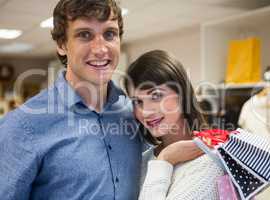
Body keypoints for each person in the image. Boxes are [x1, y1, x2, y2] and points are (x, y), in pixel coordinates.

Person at [0, 0, 142, 199]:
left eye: (109, 34)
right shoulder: (22, 126)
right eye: (85, 35)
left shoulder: (134, 113)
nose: (101, 49)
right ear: (61, 45)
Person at [124, 50, 224, 200]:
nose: (145, 112)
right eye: (137, 102)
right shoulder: (143, 160)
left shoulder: (210, 161)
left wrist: (165, 159)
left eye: (156, 96)